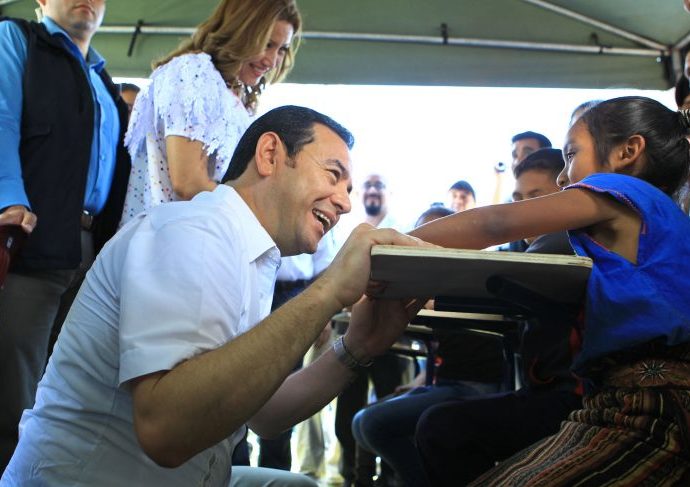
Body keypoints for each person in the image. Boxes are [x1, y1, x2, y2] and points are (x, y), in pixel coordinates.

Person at [1, 105, 428, 486]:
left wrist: (358, 346)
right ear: (270, 155)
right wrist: (330, 289)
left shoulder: (252, 255)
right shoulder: (194, 232)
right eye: (334, 176)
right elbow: (166, 431)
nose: (345, 203)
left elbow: (264, 414)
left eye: (349, 190)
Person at [410, 96, 690, 485]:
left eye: (571, 154)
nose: (561, 177)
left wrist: (391, 244)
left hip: (651, 409)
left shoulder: (621, 190)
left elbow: (495, 224)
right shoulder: (664, 217)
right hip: (613, 401)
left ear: (628, 151)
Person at [0, 0, 130, 471]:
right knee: (16, 392)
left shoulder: (102, 81)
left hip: (90, 249)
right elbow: (1, 118)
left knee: (69, 391)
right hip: (30, 239)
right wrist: (9, 200)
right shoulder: (16, 39)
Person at [414, 148, 582, 486]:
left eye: (535, 197)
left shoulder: (563, 241)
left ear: (565, 192)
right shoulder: (535, 248)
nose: (524, 209)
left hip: (572, 396)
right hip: (543, 387)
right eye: (518, 198)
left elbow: (496, 284)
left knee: (440, 428)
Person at [351, 205, 505, 487]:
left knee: (372, 424)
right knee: (362, 421)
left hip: (474, 387)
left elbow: (475, 345)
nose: (423, 244)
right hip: (446, 382)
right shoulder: (436, 282)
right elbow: (441, 352)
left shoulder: (468, 280)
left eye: (434, 234)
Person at [120, 0, 301, 225]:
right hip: (171, 240)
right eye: (266, 44)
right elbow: (187, 183)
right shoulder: (194, 71)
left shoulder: (235, 93)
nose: (272, 61)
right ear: (239, 32)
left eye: (282, 49)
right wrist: (263, 214)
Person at [335, 172, 413, 486]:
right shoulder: (347, 230)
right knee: (346, 409)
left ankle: (390, 477)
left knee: (390, 402)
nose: (371, 191)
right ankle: (352, 476)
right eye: (367, 185)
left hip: (392, 337)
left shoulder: (403, 228)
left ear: (388, 193)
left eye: (378, 185)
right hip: (352, 330)